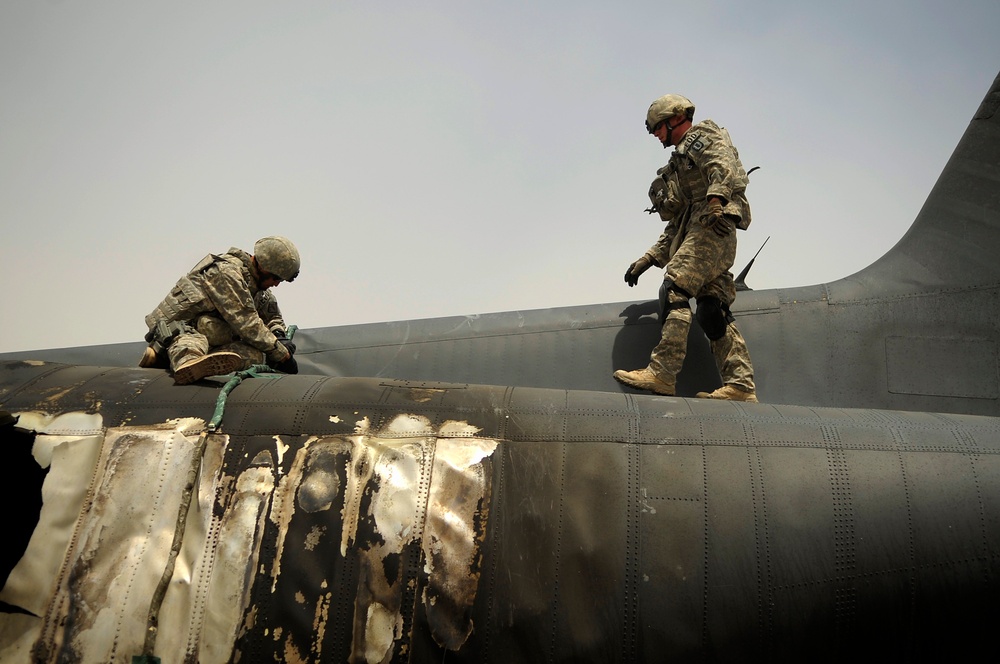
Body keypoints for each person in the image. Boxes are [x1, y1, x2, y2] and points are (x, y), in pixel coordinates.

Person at [613, 94, 757, 402]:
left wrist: (716, 201)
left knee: (675, 289)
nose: (654, 135)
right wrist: (649, 258)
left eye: (656, 129)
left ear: (672, 120)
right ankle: (741, 385)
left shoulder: (700, 137)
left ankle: (662, 373)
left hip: (712, 226)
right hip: (702, 226)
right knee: (710, 309)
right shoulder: (679, 163)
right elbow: (678, 222)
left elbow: (721, 164)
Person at [140, 236, 301, 385]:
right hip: (184, 332)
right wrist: (281, 354)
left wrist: (279, 335)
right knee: (199, 333)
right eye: (276, 278)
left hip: (214, 338)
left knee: (257, 356)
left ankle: (200, 361)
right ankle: (182, 360)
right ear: (263, 266)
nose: (276, 284)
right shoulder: (226, 273)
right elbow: (248, 324)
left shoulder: (257, 288)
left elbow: (272, 316)